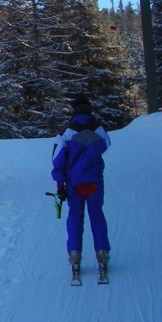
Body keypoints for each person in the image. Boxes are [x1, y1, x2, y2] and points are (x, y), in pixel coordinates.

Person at [51, 96, 112, 284]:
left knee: (75, 219)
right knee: (97, 218)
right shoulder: (99, 130)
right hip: (94, 182)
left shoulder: (66, 133)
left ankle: (75, 257)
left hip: (74, 184)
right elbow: (106, 145)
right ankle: (102, 256)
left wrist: (60, 185)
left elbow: (56, 162)